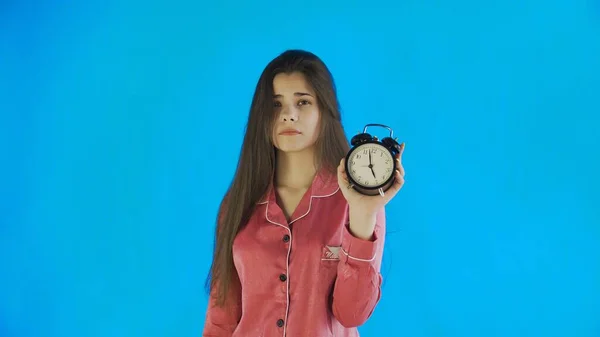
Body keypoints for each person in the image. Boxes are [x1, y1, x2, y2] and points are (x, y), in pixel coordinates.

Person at [202, 49, 406, 337]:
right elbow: (221, 317)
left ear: (325, 111)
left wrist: (362, 216)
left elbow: (352, 314)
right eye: (275, 104)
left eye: (303, 102)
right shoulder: (238, 201)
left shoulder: (359, 200)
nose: (288, 115)